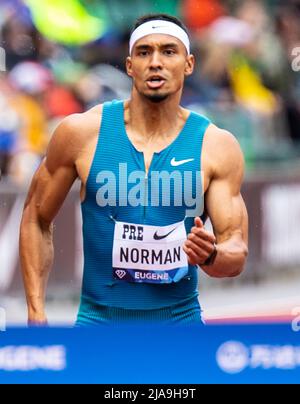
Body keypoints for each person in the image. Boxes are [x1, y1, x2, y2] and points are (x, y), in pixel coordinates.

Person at [19, 14, 248, 326]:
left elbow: (235, 250)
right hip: (98, 324)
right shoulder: (81, 133)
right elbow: (36, 217)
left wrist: (210, 256)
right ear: (129, 66)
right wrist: (36, 313)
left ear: (189, 64)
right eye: (144, 52)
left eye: (168, 51)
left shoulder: (216, 146)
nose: (155, 62)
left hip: (180, 324)